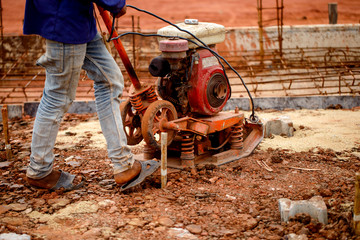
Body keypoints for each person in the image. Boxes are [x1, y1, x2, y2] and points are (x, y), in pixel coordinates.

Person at [23, 0, 159, 191]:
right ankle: (39, 170)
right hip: (64, 21)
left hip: (79, 18)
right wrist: (115, 3)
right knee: (57, 97)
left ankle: (124, 165)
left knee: (109, 81)